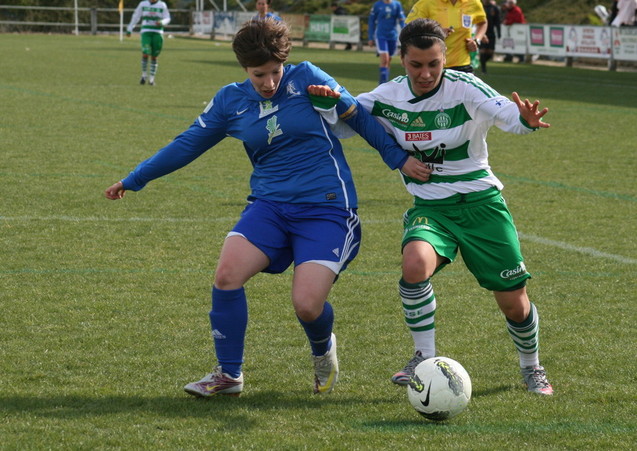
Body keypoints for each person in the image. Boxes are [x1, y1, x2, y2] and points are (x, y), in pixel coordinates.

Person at [104, 19, 431, 398]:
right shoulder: (230, 101)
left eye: (275, 72)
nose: (269, 82)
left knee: (307, 305)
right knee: (227, 274)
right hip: (270, 207)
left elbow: (357, 115)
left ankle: (323, 350)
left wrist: (397, 158)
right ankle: (228, 375)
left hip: (328, 209)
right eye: (259, 74)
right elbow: (187, 144)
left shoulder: (307, 77)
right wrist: (134, 178)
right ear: (244, 68)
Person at [309, 18, 554, 396]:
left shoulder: (466, 87)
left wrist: (525, 120)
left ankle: (531, 367)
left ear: (445, 60)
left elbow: (507, 114)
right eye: (416, 65)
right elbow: (348, 123)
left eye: (434, 64)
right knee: (414, 265)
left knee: (515, 306)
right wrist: (326, 106)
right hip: (432, 209)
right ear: (401, 61)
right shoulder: (388, 97)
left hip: (482, 206)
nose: (426, 73)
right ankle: (423, 358)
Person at [406, 0, 487, 73]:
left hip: (463, 65)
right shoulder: (427, 2)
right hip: (434, 65)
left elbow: (483, 22)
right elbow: (410, 28)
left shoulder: (473, 2)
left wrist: (477, 40)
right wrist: (435, 32)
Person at [126, 0, 171, 86]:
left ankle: (151, 79)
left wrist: (162, 22)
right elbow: (136, 16)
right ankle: (143, 76)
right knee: (145, 53)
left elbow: (167, 17)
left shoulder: (162, 5)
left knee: (154, 56)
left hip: (158, 32)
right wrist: (130, 28)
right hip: (146, 31)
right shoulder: (143, 4)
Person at [368, 0, 406, 84]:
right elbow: (371, 21)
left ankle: (385, 82)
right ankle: (382, 84)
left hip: (392, 36)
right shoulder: (377, 5)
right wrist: (370, 37)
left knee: (388, 60)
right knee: (385, 59)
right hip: (381, 35)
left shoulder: (397, 4)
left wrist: (406, 30)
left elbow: (401, 19)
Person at [479, 0, 501, 73]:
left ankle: (482, 62)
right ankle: (483, 69)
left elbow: (497, 21)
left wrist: (499, 32)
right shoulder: (479, 7)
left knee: (490, 52)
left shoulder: (494, 8)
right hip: (482, 32)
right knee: (482, 51)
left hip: (491, 33)